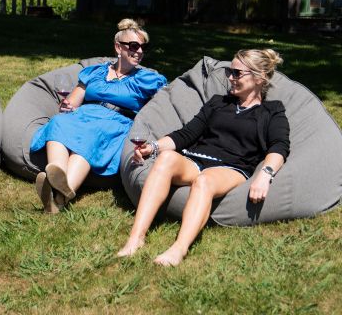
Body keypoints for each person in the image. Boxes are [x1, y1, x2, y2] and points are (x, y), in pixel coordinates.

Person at [117, 49, 289, 266]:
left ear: (258, 77)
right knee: (166, 158)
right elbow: (186, 134)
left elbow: (279, 147)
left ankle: (178, 249)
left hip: (232, 167)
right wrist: (153, 147)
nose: (230, 78)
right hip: (196, 159)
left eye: (237, 73)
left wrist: (265, 174)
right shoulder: (219, 102)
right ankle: (135, 238)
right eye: (229, 71)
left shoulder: (272, 111)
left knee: (204, 181)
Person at [31, 19, 167, 214]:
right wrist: (67, 105)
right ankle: (57, 177)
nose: (139, 51)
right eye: (134, 46)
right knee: (58, 121)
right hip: (85, 114)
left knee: (92, 134)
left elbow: (166, 101)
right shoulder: (94, 72)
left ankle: (57, 196)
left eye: (143, 47)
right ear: (118, 48)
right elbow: (72, 103)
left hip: (115, 121)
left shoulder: (148, 79)